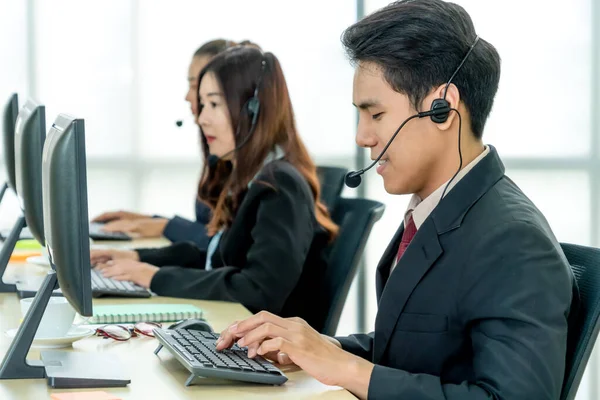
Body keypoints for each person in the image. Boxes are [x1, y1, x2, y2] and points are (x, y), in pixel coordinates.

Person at [215, 1, 577, 399]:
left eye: (375, 114)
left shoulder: (512, 240)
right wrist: (318, 347)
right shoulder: (436, 211)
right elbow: (413, 352)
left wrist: (349, 370)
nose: (362, 137)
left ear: (442, 108)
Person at [90, 46, 339, 332]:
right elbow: (215, 258)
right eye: (203, 105)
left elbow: (259, 291)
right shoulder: (251, 177)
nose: (201, 118)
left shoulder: (279, 185)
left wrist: (155, 277)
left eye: (214, 104)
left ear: (253, 111)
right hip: (243, 334)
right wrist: (139, 260)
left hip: (276, 359)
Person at [93, 39, 235, 247]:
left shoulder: (248, 164)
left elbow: (223, 245)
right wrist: (147, 222)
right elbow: (208, 232)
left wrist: (163, 226)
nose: (188, 97)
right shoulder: (217, 152)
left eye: (197, 86)